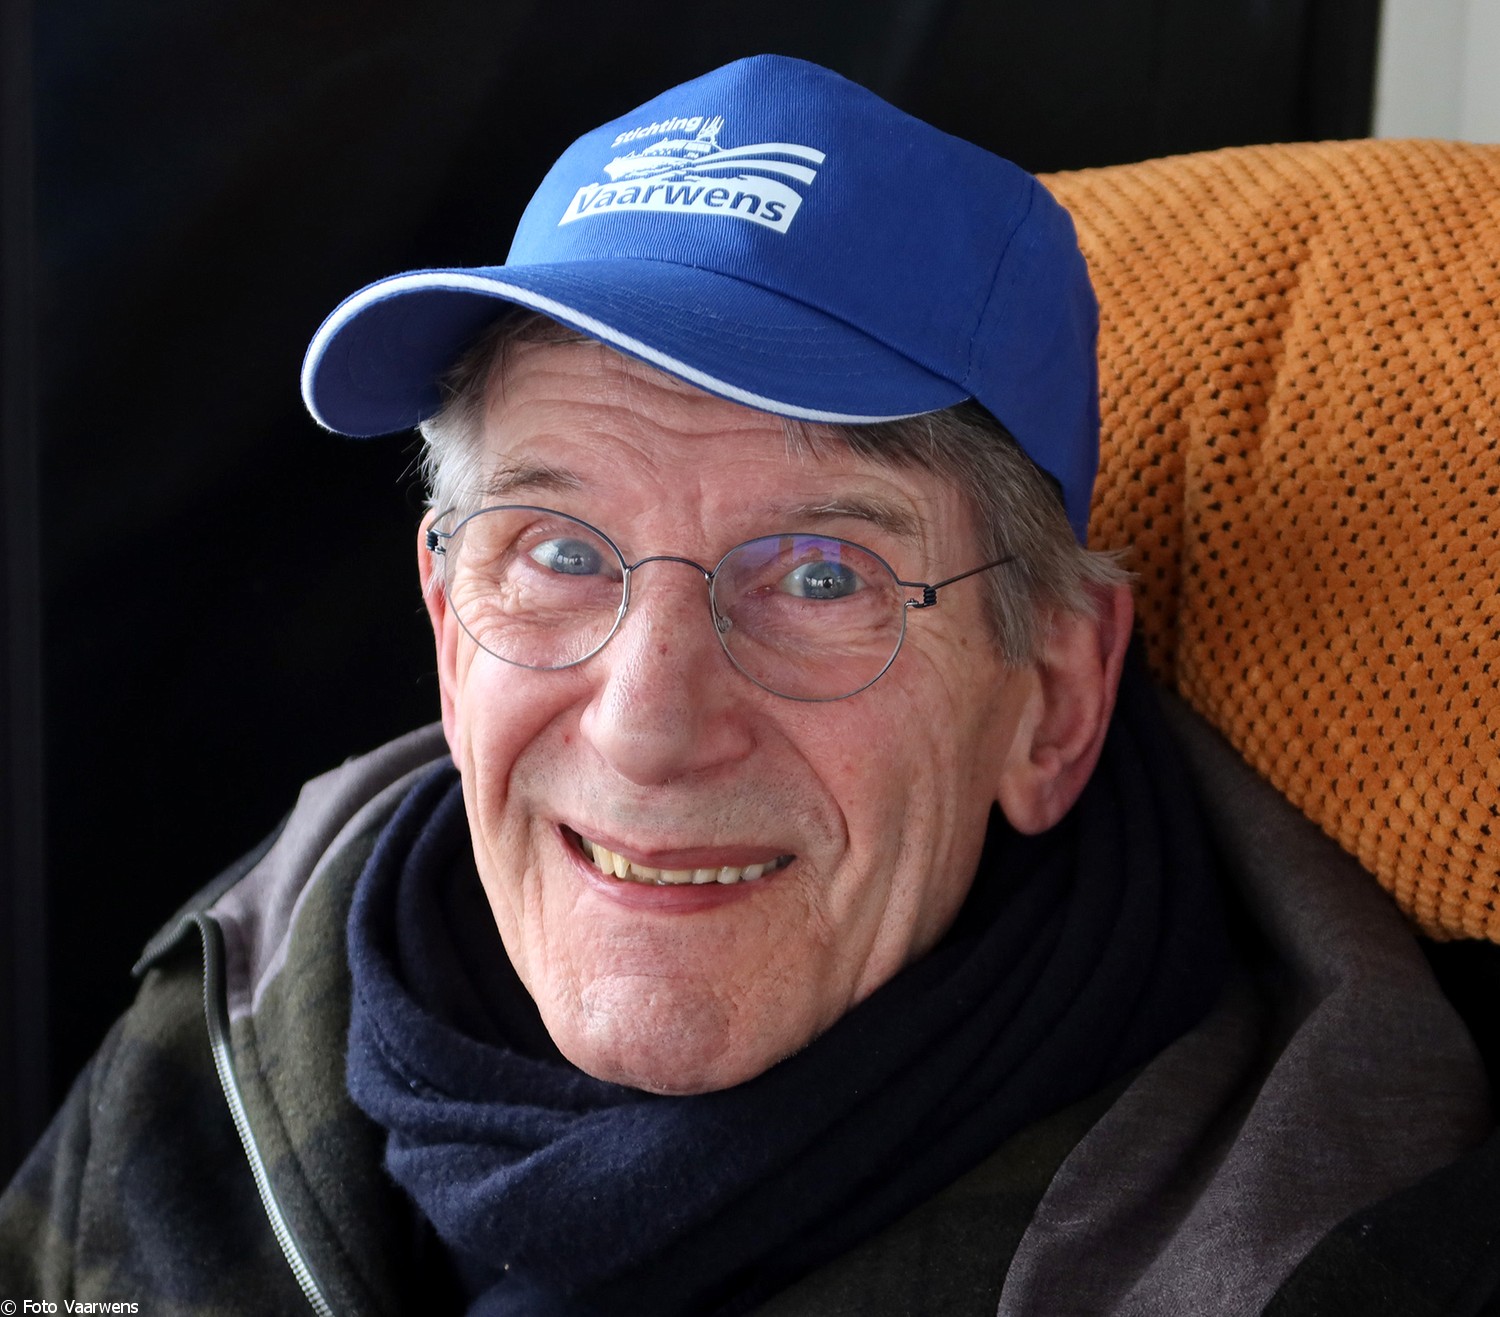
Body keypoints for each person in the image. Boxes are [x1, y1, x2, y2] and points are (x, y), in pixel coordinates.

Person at [2, 55, 1494, 1317]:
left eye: (823, 577)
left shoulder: (1305, 1255)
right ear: (452, 631)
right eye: (559, 552)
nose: (648, 726)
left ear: (1052, 698)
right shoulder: (256, 975)